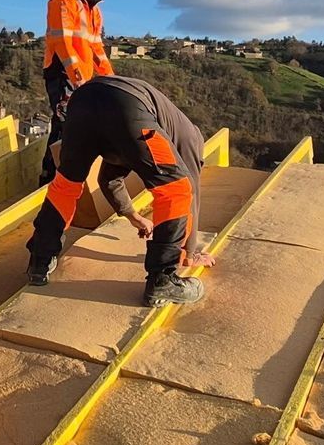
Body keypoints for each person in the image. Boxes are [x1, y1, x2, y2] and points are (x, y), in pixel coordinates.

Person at [27, 75, 214, 307]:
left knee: (66, 184)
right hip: (126, 105)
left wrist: (134, 217)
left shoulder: (158, 125)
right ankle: (163, 279)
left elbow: (108, 178)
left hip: (83, 100)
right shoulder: (190, 140)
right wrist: (190, 253)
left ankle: (40, 260)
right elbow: (189, 195)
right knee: (177, 189)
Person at [39, 0, 114, 186]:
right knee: (65, 124)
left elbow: (97, 49)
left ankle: (63, 181)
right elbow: (63, 43)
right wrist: (78, 77)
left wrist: (112, 81)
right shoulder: (62, 1)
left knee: (76, 126)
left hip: (82, 76)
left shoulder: (93, 9)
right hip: (62, 72)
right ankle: (50, 181)